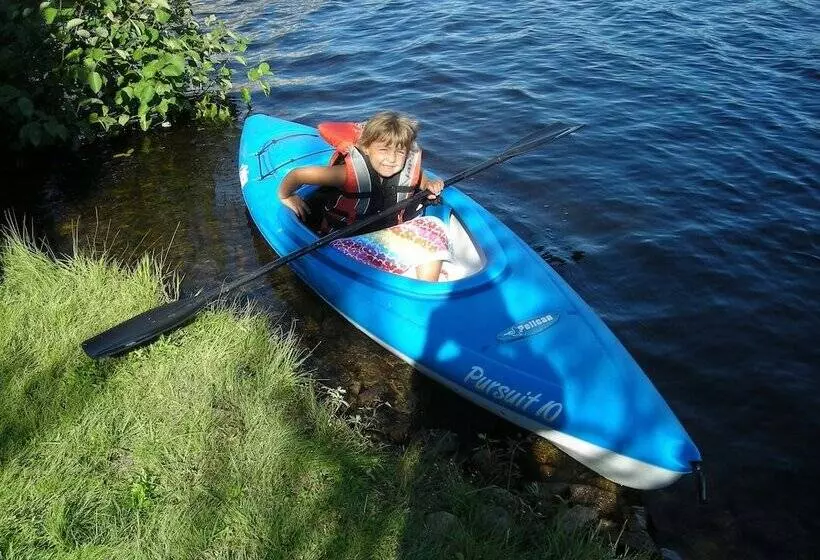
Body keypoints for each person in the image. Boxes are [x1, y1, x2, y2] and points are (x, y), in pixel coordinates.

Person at [277, 111, 449, 281]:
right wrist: (286, 196)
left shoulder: (407, 170)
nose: (391, 159)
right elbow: (298, 175)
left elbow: (420, 176)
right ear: (366, 148)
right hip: (344, 243)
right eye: (383, 150)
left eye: (400, 152)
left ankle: (426, 285)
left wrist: (428, 184)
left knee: (435, 225)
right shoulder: (346, 174)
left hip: (384, 236)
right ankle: (401, 279)